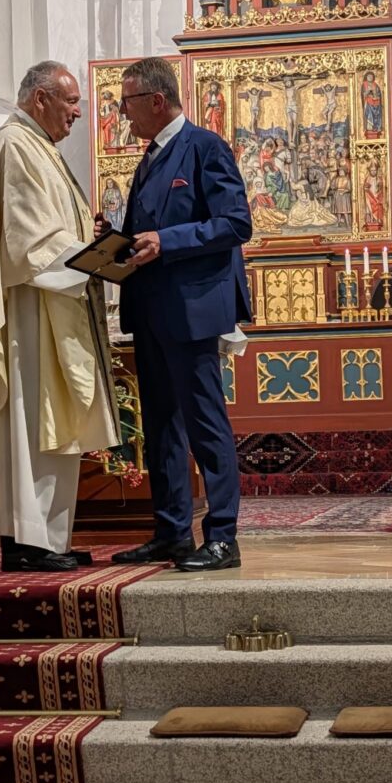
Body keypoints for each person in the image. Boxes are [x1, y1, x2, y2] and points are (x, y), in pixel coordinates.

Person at [0, 61, 119, 572]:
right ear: (40, 99)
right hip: (31, 313)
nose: (79, 113)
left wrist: (89, 236)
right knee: (32, 426)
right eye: (71, 101)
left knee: (49, 430)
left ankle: (45, 540)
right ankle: (27, 542)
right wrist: (90, 255)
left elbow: (50, 229)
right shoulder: (16, 145)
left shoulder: (39, 148)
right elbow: (30, 240)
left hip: (53, 306)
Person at [104, 56, 252, 572]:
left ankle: (222, 536)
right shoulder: (149, 157)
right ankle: (171, 531)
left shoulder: (205, 148)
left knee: (204, 423)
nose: (123, 114)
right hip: (151, 310)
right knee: (161, 426)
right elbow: (150, 233)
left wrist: (165, 240)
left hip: (191, 311)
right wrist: (116, 240)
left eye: (127, 104)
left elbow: (235, 224)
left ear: (157, 101)